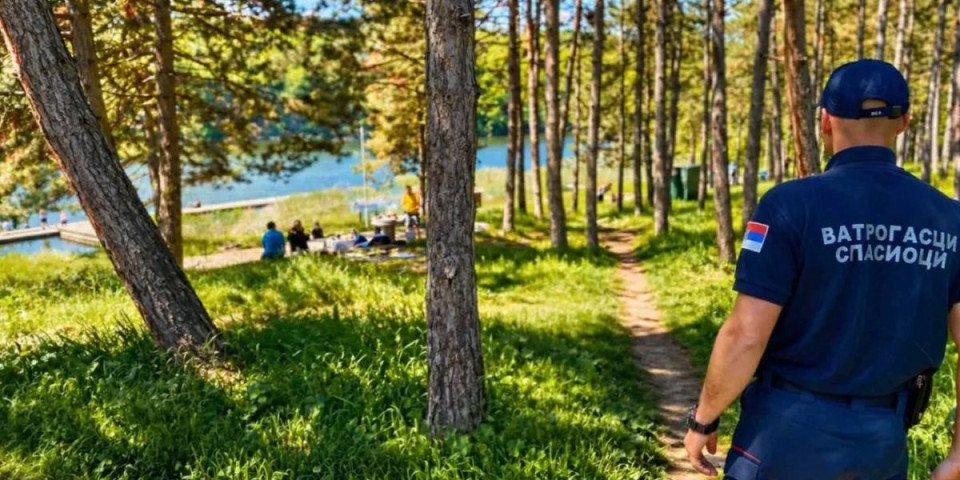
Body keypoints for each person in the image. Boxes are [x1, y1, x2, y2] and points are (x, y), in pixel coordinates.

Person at [685, 60, 960, 480]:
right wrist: (958, 453)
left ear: (825, 121)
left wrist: (704, 417)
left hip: (785, 435)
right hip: (881, 441)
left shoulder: (789, 206)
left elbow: (746, 334)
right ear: (904, 121)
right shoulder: (948, 218)